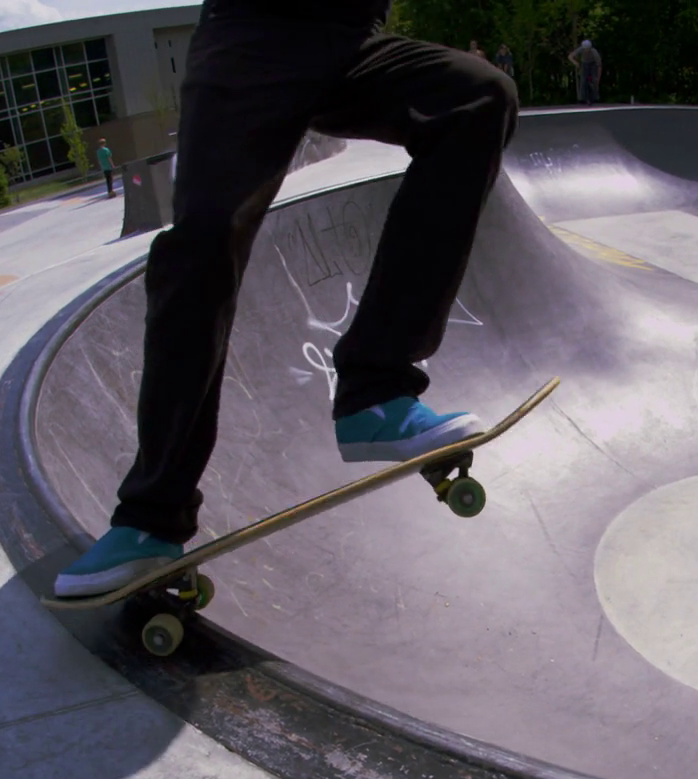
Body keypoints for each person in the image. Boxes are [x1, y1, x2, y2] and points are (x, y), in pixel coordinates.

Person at [54, 1, 518, 597]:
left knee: (478, 97)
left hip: (351, 40)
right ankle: (151, 516)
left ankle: (375, 393)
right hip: (250, 39)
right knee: (204, 242)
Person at [568, 40, 602, 105]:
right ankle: (582, 98)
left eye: (588, 49)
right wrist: (575, 63)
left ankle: (596, 97)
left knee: (594, 80)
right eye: (585, 49)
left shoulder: (594, 52)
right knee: (583, 80)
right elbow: (570, 56)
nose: (586, 51)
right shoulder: (580, 49)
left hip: (593, 64)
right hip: (584, 64)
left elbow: (599, 66)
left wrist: (598, 78)